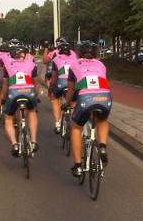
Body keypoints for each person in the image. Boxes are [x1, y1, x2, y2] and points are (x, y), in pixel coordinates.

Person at [65, 40, 111, 177]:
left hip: (85, 98)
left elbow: (71, 90)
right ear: (96, 53)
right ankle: (102, 147)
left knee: (76, 127)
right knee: (102, 121)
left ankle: (78, 165)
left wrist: (67, 103)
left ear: (78, 53)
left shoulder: (74, 65)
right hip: (105, 97)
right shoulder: (101, 65)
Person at [0, 44, 39, 157]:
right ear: (24, 54)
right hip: (29, 92)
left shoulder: (7, 65)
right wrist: (36, 97)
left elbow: (5, 85)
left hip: (13, 93)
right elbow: (36, 83)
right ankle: (33, 141)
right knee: (32, 111)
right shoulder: (31, 64)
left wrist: (3, 98)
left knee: (8, 118)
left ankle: (14, 144)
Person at [48, 41, 78, 134]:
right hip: (72, 84)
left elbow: (53, 78)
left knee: (55, 99)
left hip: (61, 83)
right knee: (73, 101)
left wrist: (51, 87)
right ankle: (74, 122)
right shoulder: (75, 58)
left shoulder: (56, 59)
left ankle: (57, 124)